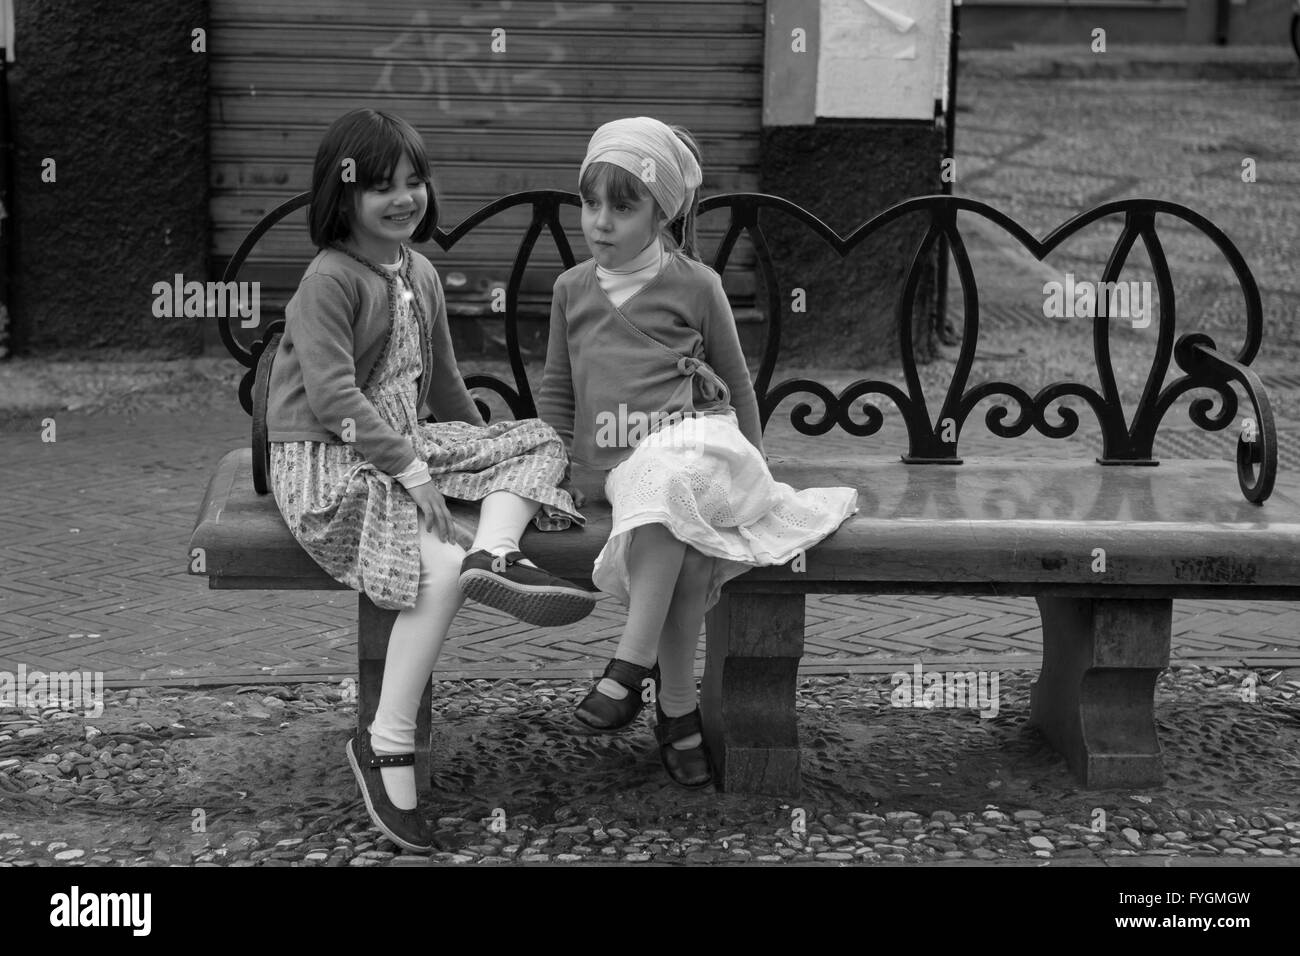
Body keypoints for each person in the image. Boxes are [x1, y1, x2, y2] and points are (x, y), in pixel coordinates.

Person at [266, 108, 592, 852]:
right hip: (328, 463)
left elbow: (444, 382)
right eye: (381, 186)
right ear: (341, 197)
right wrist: (416, 472)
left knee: (538, 439)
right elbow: (331, 399)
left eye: (414, 181)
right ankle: (386, 743)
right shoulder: (330, 280)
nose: (404, 198)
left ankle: (499, 553)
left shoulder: (418, 271)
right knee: (434, 571)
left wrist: (480, 455)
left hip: (401, 448)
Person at [536, 117, 859, 788]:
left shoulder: (698, 285)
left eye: (622, 207)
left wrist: (759, 476)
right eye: (590, 204)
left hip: (702, 452)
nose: (600, 222)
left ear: (662, 213)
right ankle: (675, 712)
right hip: (622, 476)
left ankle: (627, 669)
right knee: (674, 537)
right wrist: (551, 478)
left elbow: (737, 385)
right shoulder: (571, 291)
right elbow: (558, 394)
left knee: (671, 482)